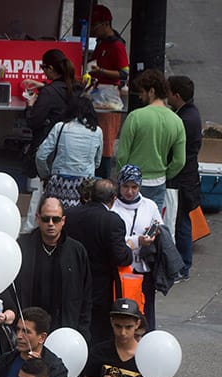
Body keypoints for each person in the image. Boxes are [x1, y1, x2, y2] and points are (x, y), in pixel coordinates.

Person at [63, 179, 132, 344]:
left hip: (70, 282)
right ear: (113, 199)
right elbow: (121, 257)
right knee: (97, 335)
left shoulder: (70, 215)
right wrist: (129, 247)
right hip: (100, 289)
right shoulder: (112, 221)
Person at [12, 197, 92, 338]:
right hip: (28, 328)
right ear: (37, 218)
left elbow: (86, 294)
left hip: (64, 328)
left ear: (63, 221)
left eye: (55, 219)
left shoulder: (76, 250)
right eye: (45, 219)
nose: (50, 224)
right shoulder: (23, 246)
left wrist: (82, 329)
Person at [116, 70, 186, 211]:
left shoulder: (135, 117)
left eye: (142, 92)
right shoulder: (177, 121)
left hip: (131, 183)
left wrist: (123, 178)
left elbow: (122, 155)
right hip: (158, 182)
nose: (140, 96)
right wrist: (165, 174)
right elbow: (180, 160)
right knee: (152, 226)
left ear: (151, 91)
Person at [111, 166, 162, 329]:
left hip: (144, 269)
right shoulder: (113, 208)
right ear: (119, 185)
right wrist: (137, 241)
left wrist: (153, 233)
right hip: (122, 269)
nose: (130, 191)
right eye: (126, 186)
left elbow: (158, 224)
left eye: (134, 187)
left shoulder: (150, 206)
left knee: (145, 310)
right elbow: (113, 240)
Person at [35, 95, 103, 208]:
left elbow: (41, 155)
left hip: (58, 182)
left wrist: (45, 174)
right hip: (85, 185)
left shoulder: (60, 127)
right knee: (80, 220)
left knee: (55, 216)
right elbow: (97, 162)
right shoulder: (97, 131)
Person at [166, 75, 202, 281]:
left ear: (176, 95)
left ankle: (183, 266)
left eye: (169, 92)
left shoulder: (184, 120)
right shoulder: (189, 114)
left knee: (180, 222)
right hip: (188, 177)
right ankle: (182, 265)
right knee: (181, 221)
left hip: (183, 179)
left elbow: (177, 152)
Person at [87, 3, 128, 177]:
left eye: (95, 26)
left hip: (109, 97)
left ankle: (104, 177)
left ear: (105, 23)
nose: (93, 31)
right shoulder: (101, 43)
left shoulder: (117, 46)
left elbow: (124, 73)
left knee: (106, 143)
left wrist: (101, 72)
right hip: (96, 93)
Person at [23, 49, 76, 180]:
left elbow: (33, 122)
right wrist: (42, 86)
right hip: (71, 150)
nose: (43, 71)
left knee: (41, 190)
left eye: (43, 67)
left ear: (50, 68)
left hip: (48, 149)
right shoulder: (76, 88)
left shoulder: (48, 93)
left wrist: (30, 105)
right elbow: (60, 92)